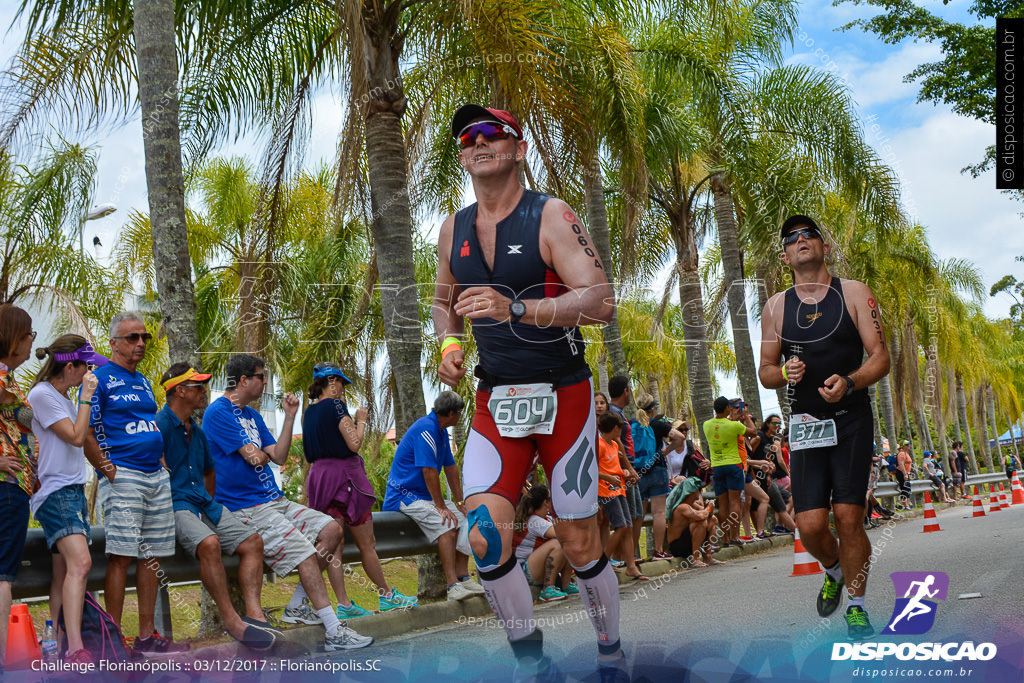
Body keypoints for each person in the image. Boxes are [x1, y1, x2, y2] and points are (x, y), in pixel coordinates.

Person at [433, 103, 621, 678]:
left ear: (518, 148)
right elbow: (443, 303)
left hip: (563, 395)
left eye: (493, 133)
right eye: (467, 136)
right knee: (485, 539)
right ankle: (533, 661)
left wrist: (516, 307)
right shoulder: (453, 227)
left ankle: (610, 653)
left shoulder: (551, 216)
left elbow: (600, 300)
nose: (478, 141)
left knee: (579, 539)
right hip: (496, 400)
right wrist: (449, 347)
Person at [758, 214, 891, 640]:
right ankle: (833, 570)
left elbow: (880, 356)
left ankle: (856, 605)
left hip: (851, 419)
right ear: (784, 256)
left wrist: (850, 381)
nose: (800, 241)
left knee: (848, 516)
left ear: (824, 246)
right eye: (791, 238)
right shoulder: (776, 307)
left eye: (808, 235)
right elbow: (765, 371)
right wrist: (786, 373)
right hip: (806, 426)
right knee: (811, 526)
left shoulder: (853, 294)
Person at [203, 354, 372, 651]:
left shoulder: (253, 416)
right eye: (260, 376)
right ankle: (334, 631)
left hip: (274, 500)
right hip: (245, 506)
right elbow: (254, 457)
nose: (265, 381)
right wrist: (259, 453)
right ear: (243, 381)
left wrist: (290, 415)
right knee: (305, 554)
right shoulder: (219, 412)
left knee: (332, 530)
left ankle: (296, 606)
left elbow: (278, 457)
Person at [155, 363, 280, 650]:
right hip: (175, 505)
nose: (204, 391)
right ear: (179, 391)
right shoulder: (159, 426)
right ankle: (233, 623)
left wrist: (206, 504)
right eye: (198, 386)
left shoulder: (196, 432)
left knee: (252, 542)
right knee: (210, 543)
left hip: (203, 503)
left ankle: (255, 616)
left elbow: (209, 472)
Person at [84, 311, 188, 655]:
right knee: (121, 557)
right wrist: (108, 471)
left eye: (144, 337)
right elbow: (84, 430)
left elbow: (146, 422)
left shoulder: (143, 381)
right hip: (123, 476)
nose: (141, 343)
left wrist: (159, 459)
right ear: (113, 343)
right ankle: (113, 639)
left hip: (155, 477)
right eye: (132, 338)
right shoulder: (99, 379)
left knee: (151, 558)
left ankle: (146, 635)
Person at [303, 362, 417, 617]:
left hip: (319, 478)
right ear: (331, 381)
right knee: (368, 543)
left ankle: (343, 605)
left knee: (335, 546)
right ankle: (387, 596)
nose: (343, 388)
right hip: (345, 477)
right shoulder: (334, 405)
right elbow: (354, 444)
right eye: (341, 382)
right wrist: (361, 420)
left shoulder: (309, 411)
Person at [28, 336, 108, 665]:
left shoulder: (61, 397)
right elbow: (76, 437)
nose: (90, 373)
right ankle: (76, 649)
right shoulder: (43, 395)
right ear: (69, 366)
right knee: (82, 563)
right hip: (57, 492)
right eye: (86, 366)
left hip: (70, 490)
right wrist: (86, 397)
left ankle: (62, 648)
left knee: (63, 573)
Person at [382, 391, 484, 600]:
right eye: (459, 414)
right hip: (405, 497)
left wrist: (460, 502)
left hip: (425, 497)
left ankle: (463, 577)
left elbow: (451, 468)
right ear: (451, 413)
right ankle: (452, 586)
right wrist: (441, 506)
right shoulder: (426, 429)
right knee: (446, 523)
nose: (460, 417)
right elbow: (428, 471)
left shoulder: (440, 431)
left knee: (467, 518)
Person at [0, 305, 38, 670]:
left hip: (16, 487)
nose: (31, 342)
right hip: (6, 487)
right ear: (14, 337)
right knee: (2, 578)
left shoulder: (8, 377)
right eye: (29, 335)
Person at [596, 412, 647, 581]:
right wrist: (608, 478)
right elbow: (592, 469)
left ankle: (631, 566)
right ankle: (602, 564)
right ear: (615, 428)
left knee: (628, 527)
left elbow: (614, 469)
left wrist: (626, 474)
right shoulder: (600, 445)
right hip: (605, 492)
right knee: (620, 527)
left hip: (619, 490)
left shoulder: (614, 445)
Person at [703, 396, 756, 547]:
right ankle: (735, 536)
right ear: (727, 408)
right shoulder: (734, 426)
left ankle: (725, 538)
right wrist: (745, 415)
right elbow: (753, 433)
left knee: (723, 503)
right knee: (735, 501)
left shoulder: (707, 424)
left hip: (717, 467)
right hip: (734, 465)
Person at [513, 485, 576, 601]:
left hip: (533, 568)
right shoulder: (534, 520)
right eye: (551, 498)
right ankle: (547, 589)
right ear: (545, 502)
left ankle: (566, 585)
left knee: (566, 542)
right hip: (523, 572)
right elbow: (563, 534)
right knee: (558, 542)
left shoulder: (545, 518)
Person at [607, 376, 644, 562]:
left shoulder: (617, 412)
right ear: (625, 391)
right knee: (628, 517)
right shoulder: (614, 413)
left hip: (628, 468)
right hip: (623, 470)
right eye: (629, 389)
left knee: (636, 515)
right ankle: (620, 557)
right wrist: (628, 468)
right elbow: (617, 441)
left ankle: (628, 557)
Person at [633, 393, 674, 560]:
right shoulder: (657, 424)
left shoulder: (631, 424)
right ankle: (658, 551)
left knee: (638, 516)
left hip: (638, 472)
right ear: (652, 409)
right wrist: (666, 451)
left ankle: (633, 556)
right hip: (657, 469)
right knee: (658, 513)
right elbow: (679, 437)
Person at [664, 476, 722, 567]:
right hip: (678, 547)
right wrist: (709, 508)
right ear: (690, 492)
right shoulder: (681, 507)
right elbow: (701, 516)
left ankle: (708, 556)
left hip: (689, 542)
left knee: (713, 519)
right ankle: (695, 559)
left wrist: (709, 509)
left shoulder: (692, 504)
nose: (698, 492)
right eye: (696, 489)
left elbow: (706, 514)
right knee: (701, 522)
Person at [897, 441, 914, 509]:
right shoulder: (901, 453)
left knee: (908, 488)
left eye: (909, 444)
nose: (909, 446)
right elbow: (901, 464)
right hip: (902, 473)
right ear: (903, 446)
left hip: (906, 473)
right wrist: (905, 474)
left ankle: (907, 504)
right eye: (907, 445)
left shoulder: (906, 453)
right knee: (905, 489)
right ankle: (905, 505)